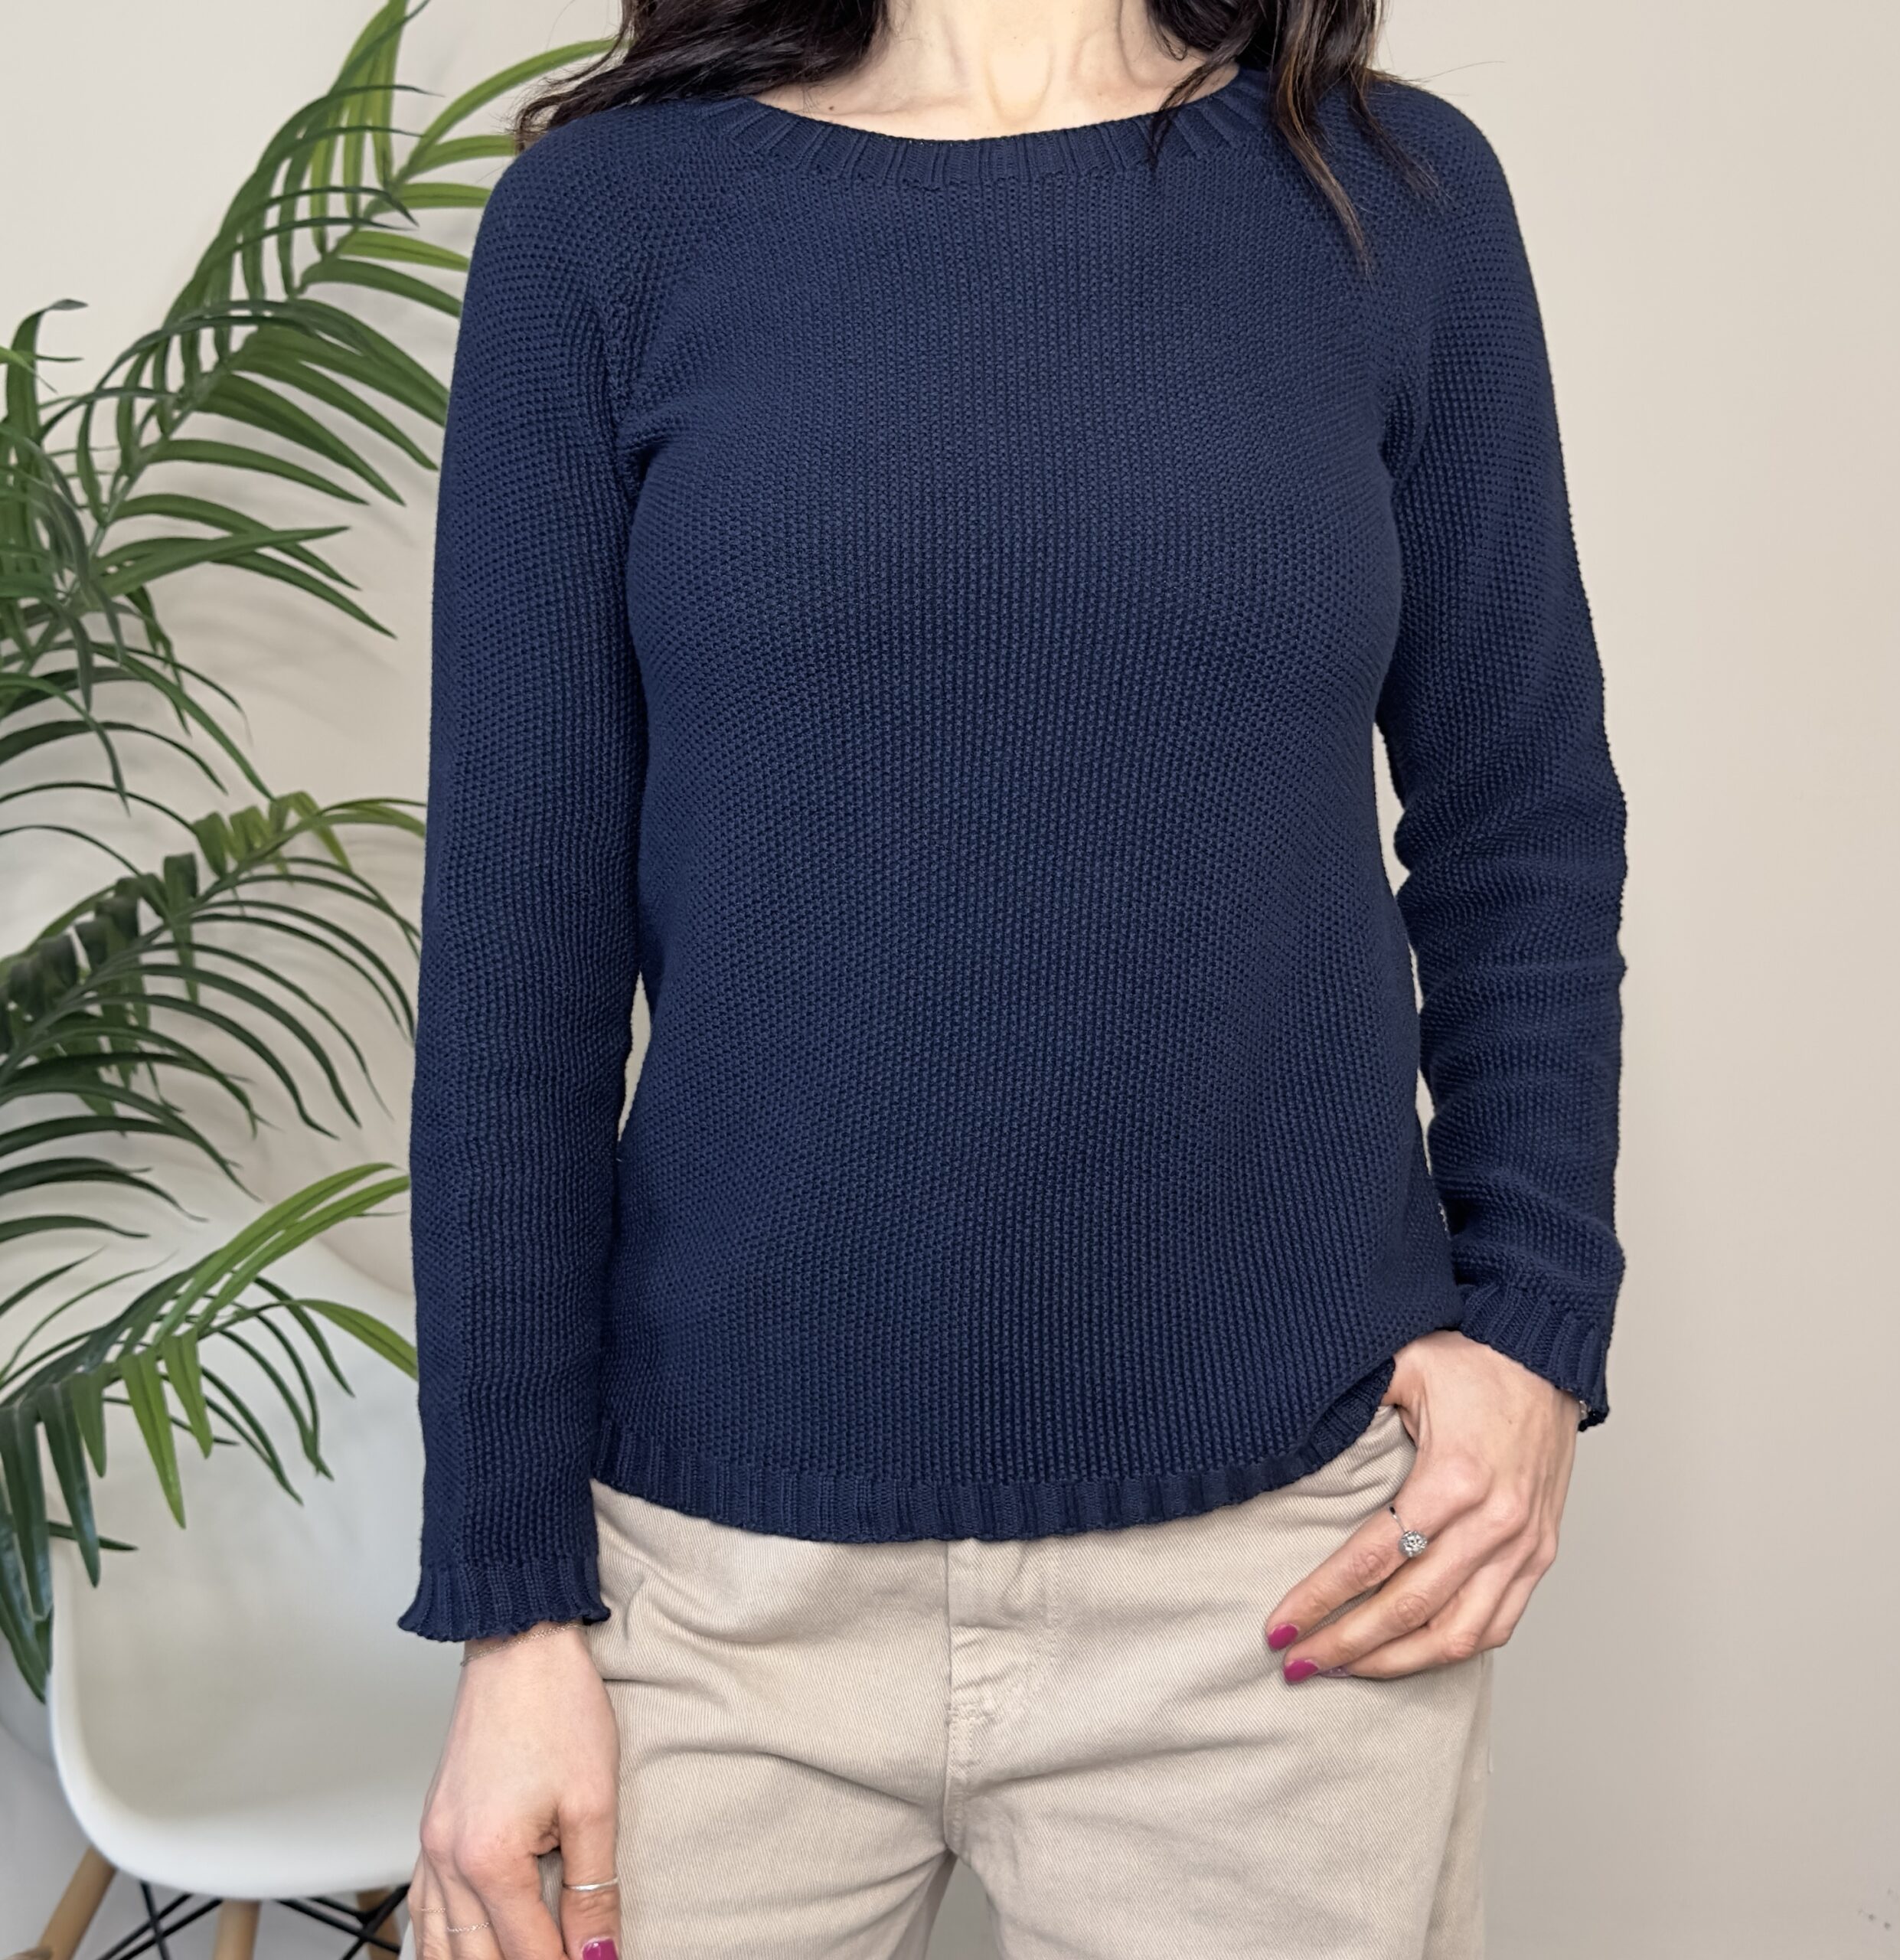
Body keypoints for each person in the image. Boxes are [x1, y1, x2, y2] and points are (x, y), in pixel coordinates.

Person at [398, 1, 1628, 1955]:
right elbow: (511, 971)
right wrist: (511, 1601)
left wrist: (1536, 1328)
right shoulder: (604, 223)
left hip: (1275, 1598)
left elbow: (1520, 815)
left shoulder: (1390, 198)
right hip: (708, 1598)